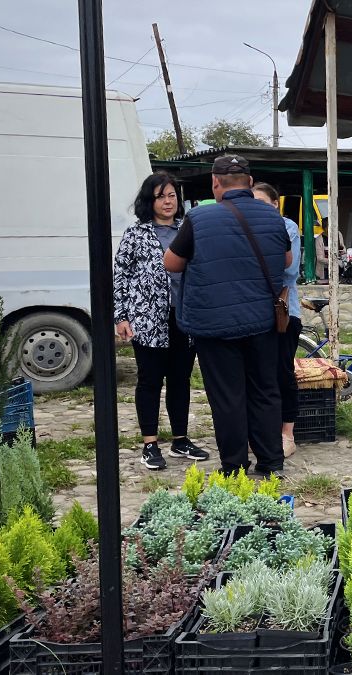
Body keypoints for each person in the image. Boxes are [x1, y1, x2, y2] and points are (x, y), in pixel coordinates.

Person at [163, 155, 292, 477]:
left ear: (215, 183)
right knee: (265, 391)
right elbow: (287, 261)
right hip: (263, 322)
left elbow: (171, 263)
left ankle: (234, 466)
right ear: (249, 183)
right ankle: (271, 462)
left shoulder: (199, 219)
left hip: (215, 328)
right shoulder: (273, 216)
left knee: (228, 397)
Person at [113, 172, 210, 471]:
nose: (167, 202)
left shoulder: (187, 229)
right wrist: (122, 316)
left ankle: (180, 439)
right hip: (148, 319)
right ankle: (150, 443)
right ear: (149, 201)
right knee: (150, 381)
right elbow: (121, 275)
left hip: (184, 317)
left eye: (171, 196)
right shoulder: (136, 234)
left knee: (180, 380)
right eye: (160, 196)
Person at [252, 182, 302, 459]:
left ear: (275, 204)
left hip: (284, 312)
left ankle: (287, 433)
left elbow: (289, 271)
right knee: (258, 375)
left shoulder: (287, 227)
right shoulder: (245, 228)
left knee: (283, 372)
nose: (257, 208)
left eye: (263, 202)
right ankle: (262, 431)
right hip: (254, 314)